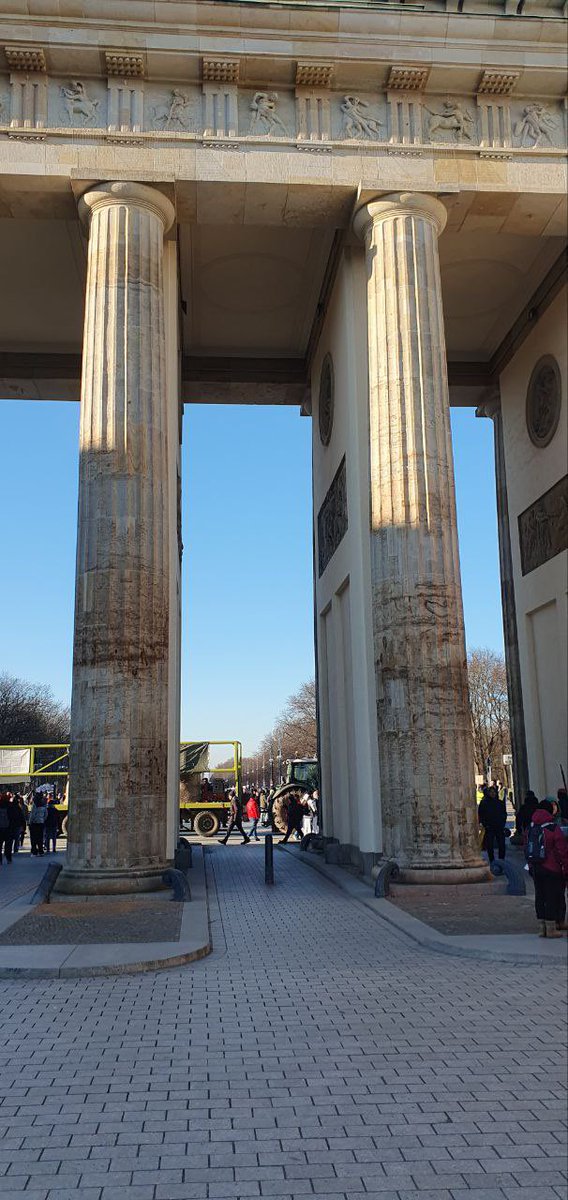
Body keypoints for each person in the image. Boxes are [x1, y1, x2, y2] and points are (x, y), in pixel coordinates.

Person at [528, 799, 568, 937]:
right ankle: (551, 928)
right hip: (551, 867)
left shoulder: (532, 827)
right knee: (552, 896)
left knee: (540, 896)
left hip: (536, 867)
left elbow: (527, 848)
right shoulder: (552, 828)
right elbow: (562, 851)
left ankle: (542, 927)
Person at [478, 784, 507, 863]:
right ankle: (492, 859)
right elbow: (480, 814)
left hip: (499, 826)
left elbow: (504, 814)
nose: (492, 794)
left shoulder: (500, 803)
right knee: (489, 845)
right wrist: (484, 824)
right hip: (489, 827)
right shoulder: (484, 803)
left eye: (494, 792)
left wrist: (502, 823)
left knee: (501, 844)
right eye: (491, 792)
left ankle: (501, 859)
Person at [28, 791, 48, 855]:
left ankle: (34, 851)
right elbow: (46, 814)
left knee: (33, 838)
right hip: (41, 823)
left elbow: (32, 815)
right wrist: (43, 820)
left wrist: (30, 822)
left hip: (34, 823)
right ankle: (40, 851)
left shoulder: (35, 805)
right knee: (40, 838)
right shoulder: (44, 805)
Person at [0, 792, 14, 865]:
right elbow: (13, 817)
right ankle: (9, 858)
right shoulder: (10, 806)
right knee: (8, 845)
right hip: (8, 828)